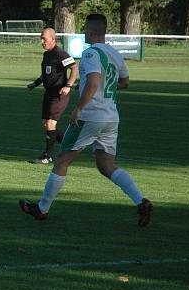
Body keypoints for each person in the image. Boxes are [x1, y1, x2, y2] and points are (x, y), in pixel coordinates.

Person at [19, 13, 152, 226]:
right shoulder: (115, 54)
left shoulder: (91, 54)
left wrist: (79, 108)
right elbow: (124, 82)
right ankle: (141, 201)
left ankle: (42, 209)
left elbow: (93, 81)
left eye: (85, 30)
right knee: (105, 164)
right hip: (111, 117)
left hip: (91, 116)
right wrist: (100, 87)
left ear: (91, 32)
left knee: (63, 160)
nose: (84, 33)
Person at [26, 27, 78, 164]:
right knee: (46, 124)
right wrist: (35, 83)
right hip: (48, 93)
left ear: (53, 39)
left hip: (59, 94)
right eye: (41, 39)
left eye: (44, 39)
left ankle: (47, 156)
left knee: (50, 123)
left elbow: (74, 68)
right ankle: (71, 144)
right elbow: (46, 74)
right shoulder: (46, 55)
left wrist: (68, 86)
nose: (42, 41)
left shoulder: (61, 54)